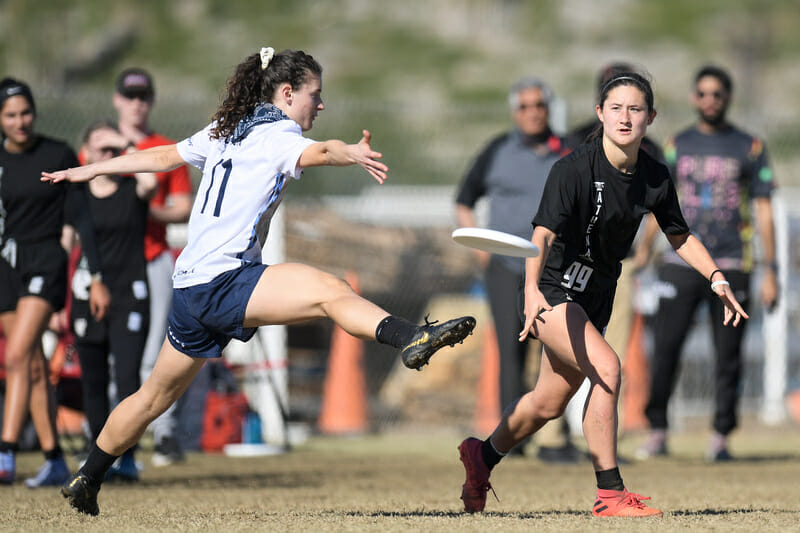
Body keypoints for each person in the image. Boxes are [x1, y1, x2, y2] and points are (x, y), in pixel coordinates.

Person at [44, 47, 476, 516]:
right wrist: (348, 152)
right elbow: (323, 151)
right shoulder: (278, 134)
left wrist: (91, 168)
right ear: (287, 94)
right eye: (316, 95)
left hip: (190, 286)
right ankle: (411, 336)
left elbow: (164, 156)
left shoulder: (226, 129)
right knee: (332, 291)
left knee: (152, 397)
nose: (322, 105)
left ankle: (88, 476)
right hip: (225, 279)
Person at [457, 71, 748, 518]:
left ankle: (482, 456)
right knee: (609, 368)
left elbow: (679, 235)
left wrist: (717, 278)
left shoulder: (654, 175)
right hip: (551, 290)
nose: (625, 117)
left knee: (548, 402)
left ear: (650, 117)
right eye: (616, 108)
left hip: (596, 295)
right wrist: (532, 291)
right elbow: (543, 233)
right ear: (600, 114)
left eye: (635, 109)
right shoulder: (573, 168)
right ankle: (609, 494)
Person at [636, 65, 777, 462]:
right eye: (703, 93)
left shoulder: (749, 146)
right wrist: (645, 250)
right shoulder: (675, 144)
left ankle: (720, 435)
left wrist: (772, 269)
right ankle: (657, 429)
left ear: (727, 98)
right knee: (665, 348)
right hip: (678, 262)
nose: (709, 100)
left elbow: (764, 209)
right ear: (693, 98)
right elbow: (657, 205)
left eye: (717, 94)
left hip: (732, 262)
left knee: (727, 354)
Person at [455, 76, 579, 462]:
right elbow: (464, 199)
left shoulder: (568, 150)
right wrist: (480, 250)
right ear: (515, 111)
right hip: (505, 266)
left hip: (555, 267)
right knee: (511, 349)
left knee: (559, 349)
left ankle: (556, 437)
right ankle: (514, 439)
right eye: (524, 106)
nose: (532, 113)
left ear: (548, 109)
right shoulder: (497, 149)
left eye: (539, 105)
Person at [0, 78, 110, 487]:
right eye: (10, 115)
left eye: (25, 112)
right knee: (27, 366)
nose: (20, 121)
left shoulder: (56, 153)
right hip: (6, 266)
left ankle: (6, 451)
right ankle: (53, 461)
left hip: (46, 261)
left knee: (17, 356)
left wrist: (96, 276)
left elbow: (82, 219)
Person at [64, 120, 157, 481]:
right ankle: (96, 460)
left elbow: (151, 180)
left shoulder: (133, 187)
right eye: (99, 147)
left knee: (128, 376)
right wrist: (60, 301)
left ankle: (128, 458)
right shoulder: (78, 196)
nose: (107, 153)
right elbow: (66, 241)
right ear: (85, 152)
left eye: (111, 149)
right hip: (87, 294)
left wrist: (125, 142)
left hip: (130, 293)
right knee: (93, 380)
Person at [112, 68, 194, 466]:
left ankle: (163, 434)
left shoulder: (166, 148)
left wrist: (149, 209)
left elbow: (183, 208)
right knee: (112, 351)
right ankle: (111, 432)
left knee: (158, 349)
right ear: (117, 100)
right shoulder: (100, 145)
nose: (136, 102)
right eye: (129, 95)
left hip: (153, 256)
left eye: (143, 95)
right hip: (111, 263)